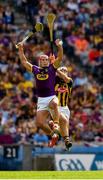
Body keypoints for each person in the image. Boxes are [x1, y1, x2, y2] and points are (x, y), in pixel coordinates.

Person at [17, 39, 63, 146]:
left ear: (48, 61)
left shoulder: (53, 68)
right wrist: (20, 49)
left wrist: (59, 46)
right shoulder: (36, 70)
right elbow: (24, 62)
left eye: (46, 60)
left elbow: (60, 57)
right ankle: (53, 135)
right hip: (41, 99)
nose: (44, 61)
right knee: (39, 123)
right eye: (42, 60)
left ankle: (56, 125)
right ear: (39, 62)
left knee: (55, 104)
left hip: (51, 96)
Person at [49, 66, 73, 150]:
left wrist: (57, 69)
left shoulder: (69, 81)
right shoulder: (54, 81)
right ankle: (66, 140)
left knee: (65, 126)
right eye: (62, 70)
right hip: (55, 107)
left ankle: (57, 135)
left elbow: (65, 78)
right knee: (64, 121)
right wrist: (54, 67)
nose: (63, 72)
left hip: (65, 107)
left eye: (65, 71)